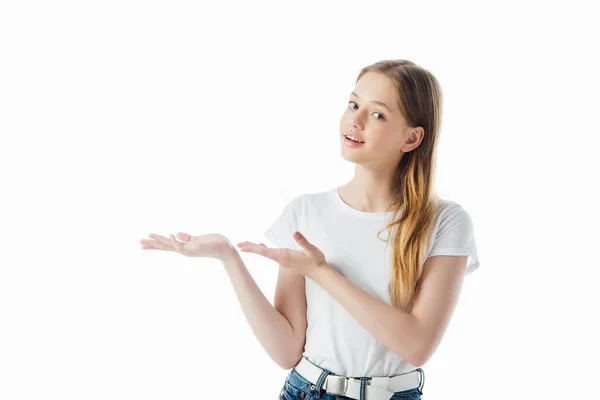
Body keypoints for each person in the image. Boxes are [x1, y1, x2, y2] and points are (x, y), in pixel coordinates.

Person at [139, 59, 479, 400]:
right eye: (353, 104)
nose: (355, 121)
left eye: (377, 114)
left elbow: (416, 345)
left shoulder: (445, 222)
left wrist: (320, 272)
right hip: (307, 391)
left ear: (412, 138)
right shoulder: (305, 213)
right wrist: (229, 258)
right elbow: (287, 351)